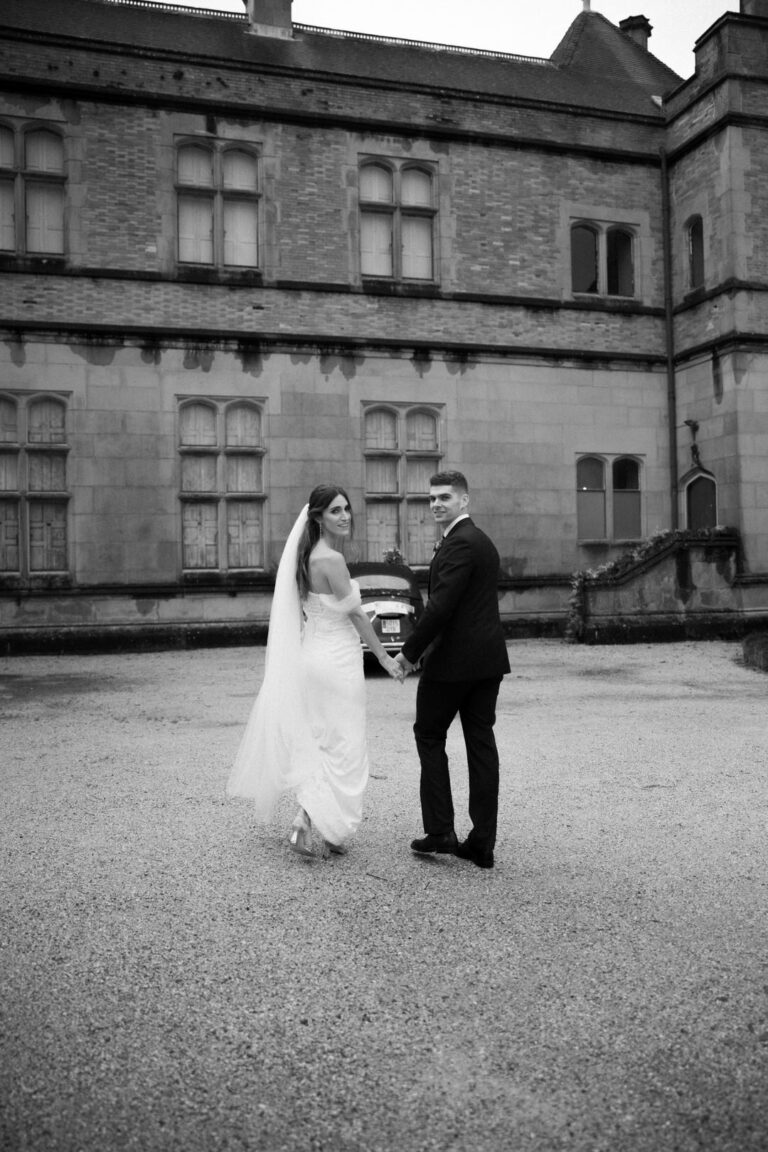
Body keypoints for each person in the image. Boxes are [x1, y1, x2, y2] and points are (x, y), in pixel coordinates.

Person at [227, 484, 403, 857]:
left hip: (311, 656)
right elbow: (356, 614)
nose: (345, 516)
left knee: (321, 740)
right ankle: (312, 820)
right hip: (337, 662)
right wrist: (386, 658)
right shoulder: (331, 561)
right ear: (318, 517)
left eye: (347, 509)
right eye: (336, 511)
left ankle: (324, 826)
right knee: (344, 744)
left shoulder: (303, 558)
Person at [395, 471, 510, 869]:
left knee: (428, 734)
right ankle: (481, 843)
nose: (436, 504)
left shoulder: (460, 543)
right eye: (432, 499)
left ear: (465, 501)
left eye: (445, 497)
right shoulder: (479, 540)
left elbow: (441, 607)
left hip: (453, 665)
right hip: (488, 662)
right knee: (480, 744)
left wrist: (409, 653)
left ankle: (441, 829)